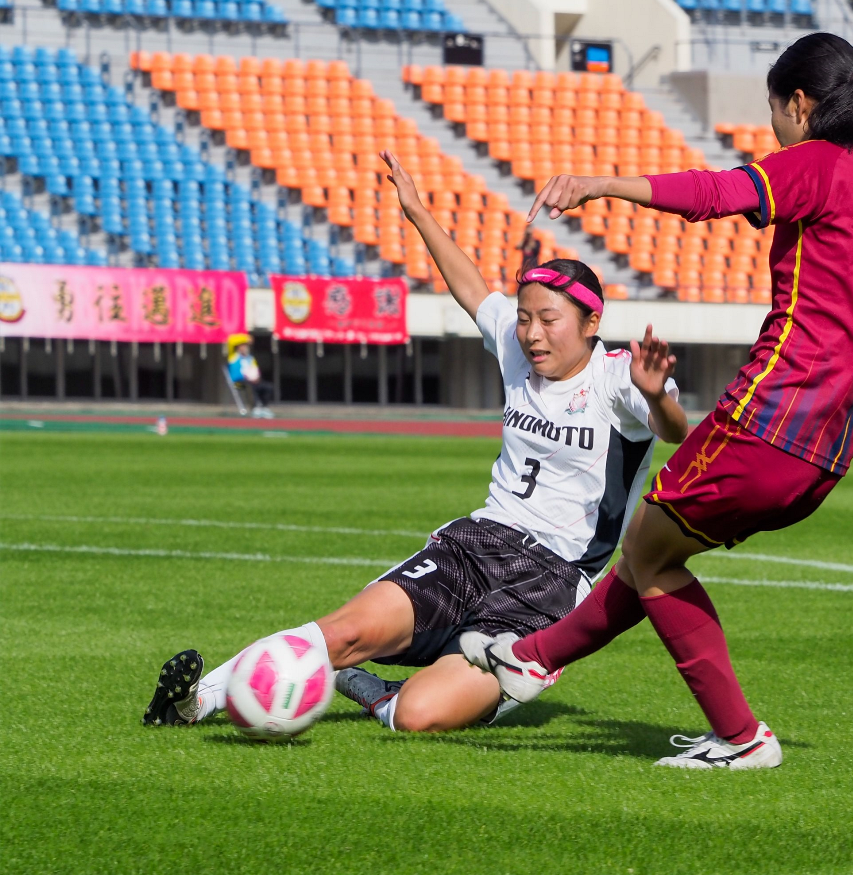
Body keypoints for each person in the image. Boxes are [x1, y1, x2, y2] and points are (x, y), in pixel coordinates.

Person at [460, 33, 853, 769]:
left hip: (768, 419)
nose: (775, 131)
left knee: (650, 552)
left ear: (798, 104)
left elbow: (717, 195)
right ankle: (531, 661)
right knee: (655, 548)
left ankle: (740, 736)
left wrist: (603, 184)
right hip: (831, 454)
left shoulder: (818, 164)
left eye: (775, 113)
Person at [143, 150, 687, 733]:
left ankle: (385, 693)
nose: (531, 333)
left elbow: (675, 434)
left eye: (549, 320)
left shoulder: (618, 377)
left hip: (551, 582)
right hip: (476, 544)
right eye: (525, 318)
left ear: (591, 323)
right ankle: (191, 702)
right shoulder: (515, 346)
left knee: (417, 715)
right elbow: (472, 288)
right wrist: (419, 213)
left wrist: (656, 396)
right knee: (345, 631)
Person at [226, 333, 274, 418]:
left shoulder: (251, 359)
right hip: (238, 383)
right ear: (238, 347)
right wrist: (246, 339)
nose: (244, 348)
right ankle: (255, 408)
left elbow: (256, 371)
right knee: (250, 386)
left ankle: (264, 407)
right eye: (242, 346)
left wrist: (257, 378)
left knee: (267, 386)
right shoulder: (233, 357)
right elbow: (230, 341)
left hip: (252, 380)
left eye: (245, 346)